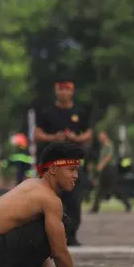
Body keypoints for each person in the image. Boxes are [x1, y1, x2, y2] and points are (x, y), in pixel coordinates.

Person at [0, 141, 94, 267]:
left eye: (77, 170)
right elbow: (58, 250)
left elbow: (37, 247)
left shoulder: (32, 184)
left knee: (49, 228)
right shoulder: (49, 200)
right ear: (54, 169)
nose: (76, 176)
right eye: (71, 170)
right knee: (60, 224)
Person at [34, 77, 92, 245]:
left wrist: (77, 138)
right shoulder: (47, 113)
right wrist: (54, 137)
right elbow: (37, 134)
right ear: (56, 91)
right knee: (50, 199)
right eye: (60, 89)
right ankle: (51, 235)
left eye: (67, 89)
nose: (64, 92)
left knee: (74, 200)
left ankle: (71, 234)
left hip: (72, 164)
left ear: (72, 91)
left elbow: (89, 134)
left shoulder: (79, 112)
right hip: (52, 164)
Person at [90, 131, 131, 213]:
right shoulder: (103, 146)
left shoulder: (109, 144)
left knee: (115, 188)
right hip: (105, 170)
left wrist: (101, 165)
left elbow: (108, 157)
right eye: (99, 137)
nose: (100, 139)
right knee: (100, 189)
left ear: (105, 136)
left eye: (101, 137)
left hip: (110, 169)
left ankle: (127, 204)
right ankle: (95, 208)